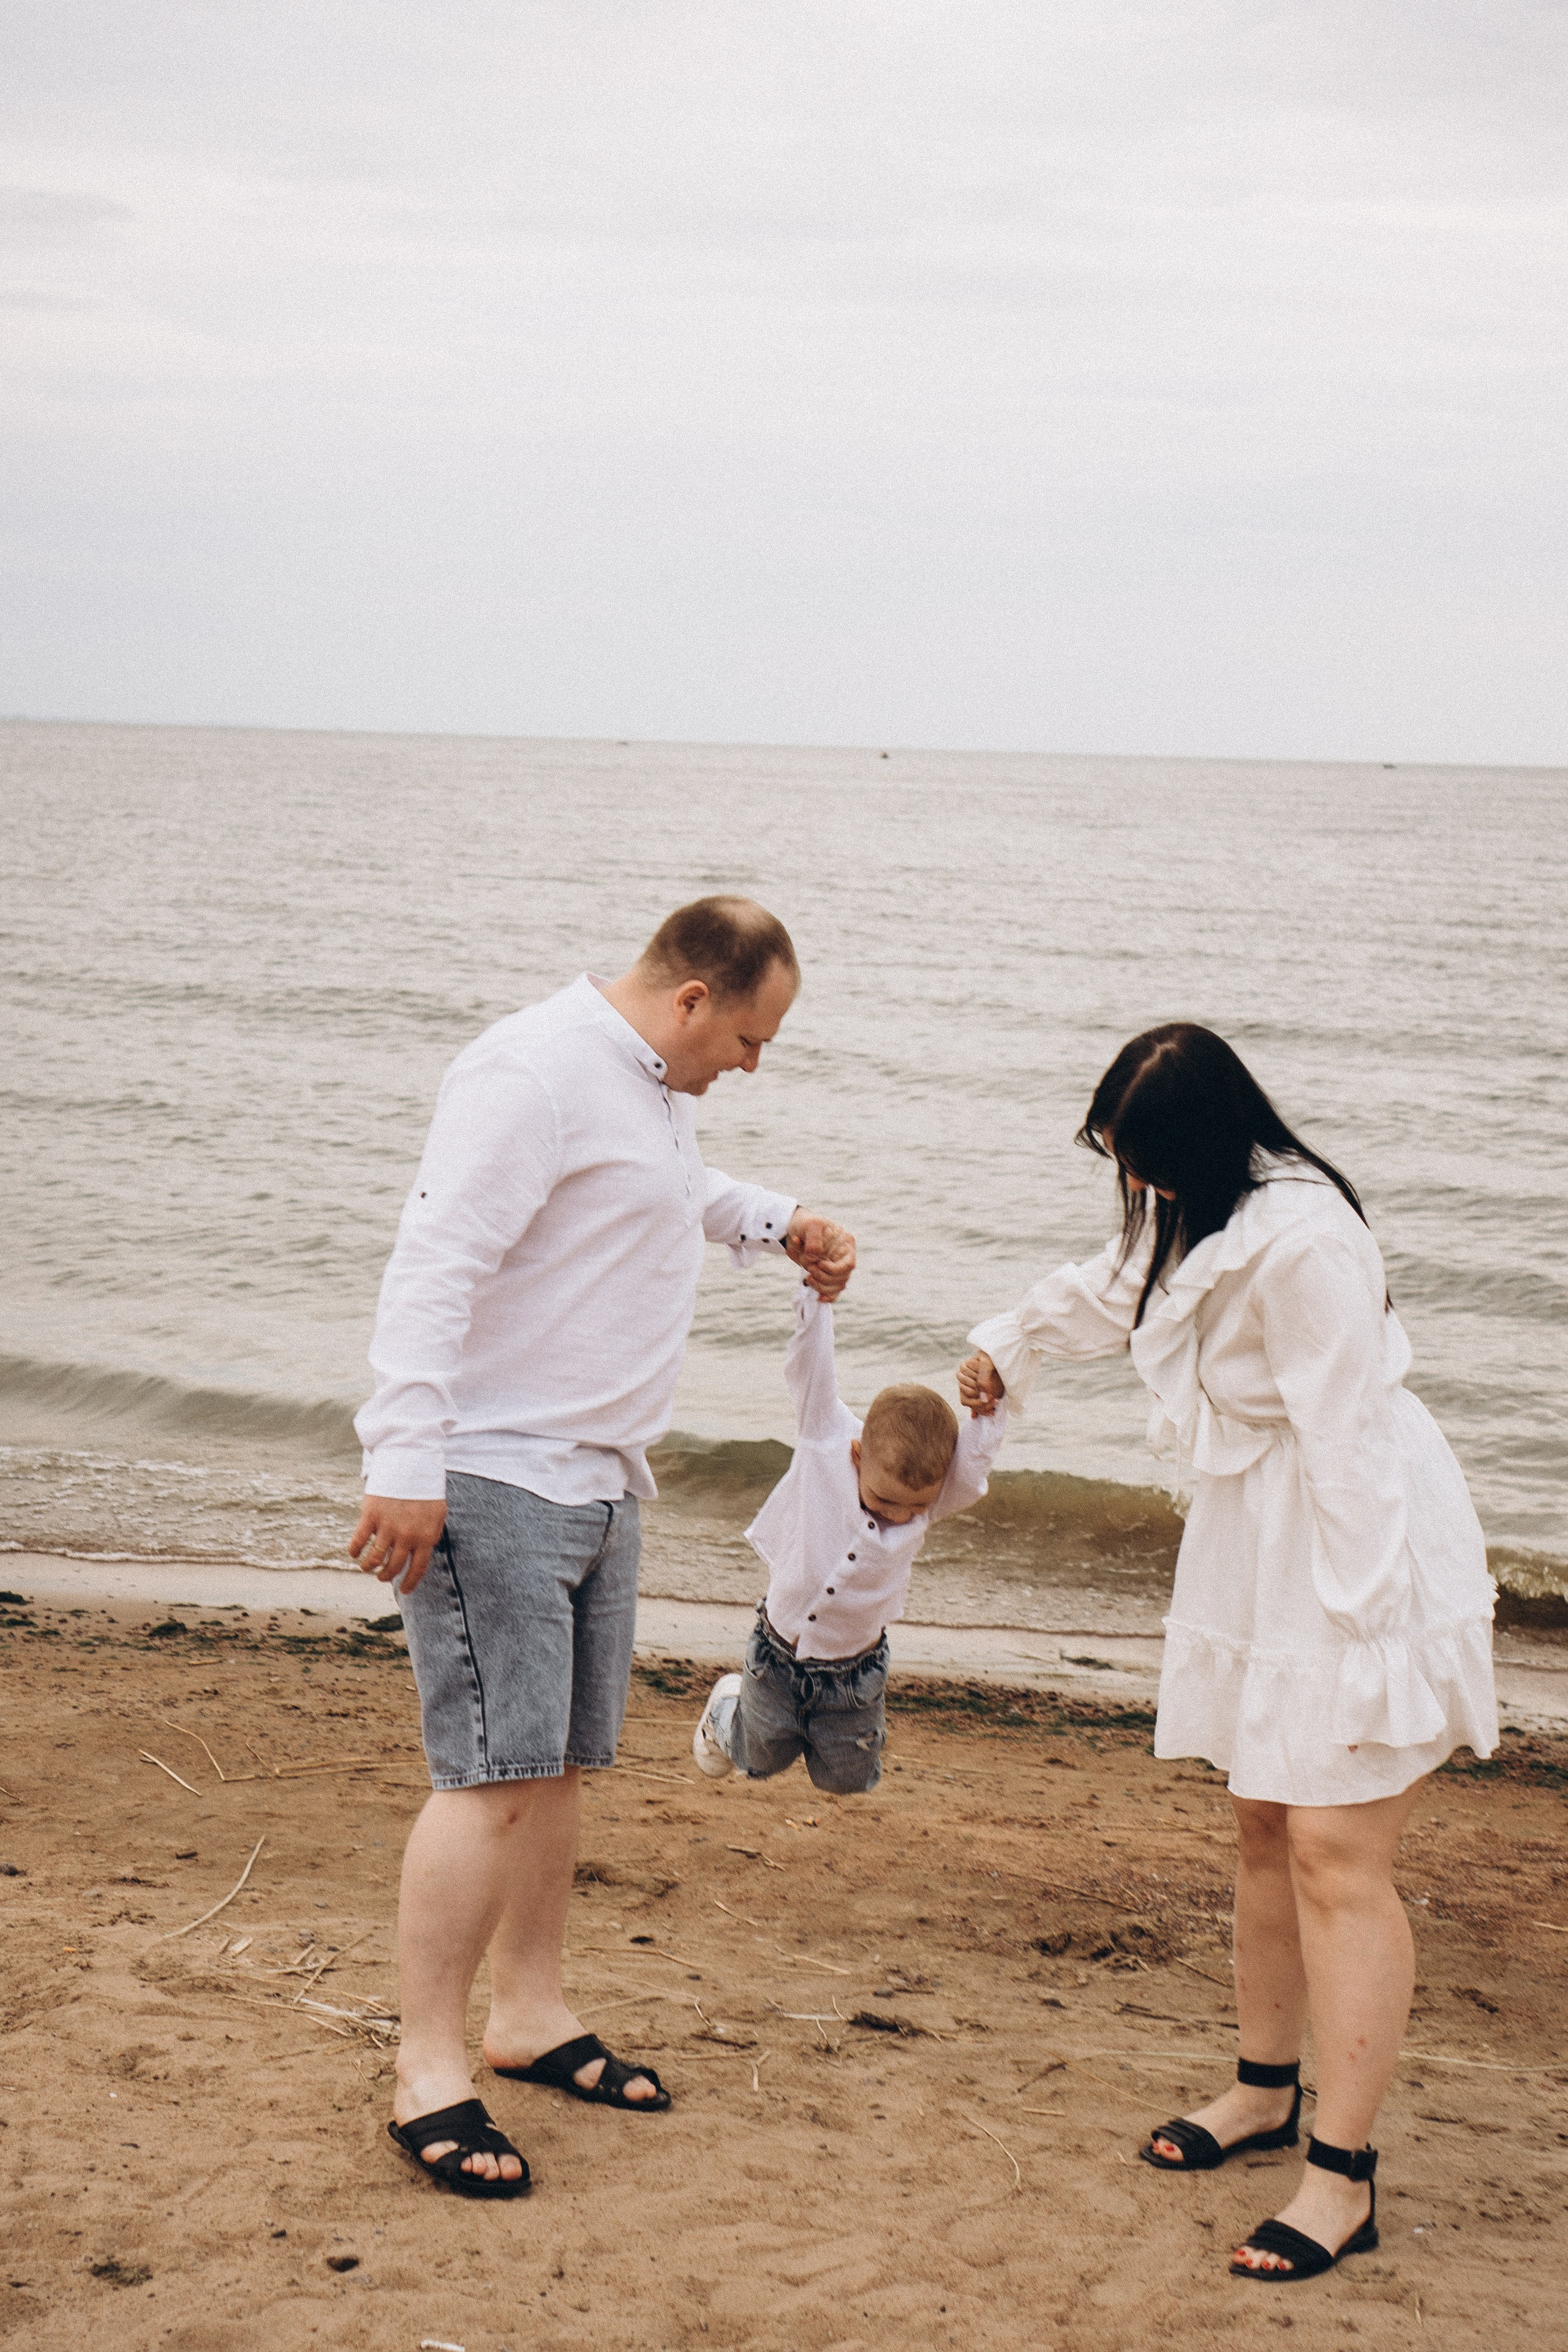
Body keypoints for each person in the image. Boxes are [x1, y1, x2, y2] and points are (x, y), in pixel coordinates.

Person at [959, 1023, 1497, 2285]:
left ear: (1199, 1143)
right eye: (1119, 1159)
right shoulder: (1198, 1201)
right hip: (1259, 1531)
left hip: (1350, 1536)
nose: (1132, 1182)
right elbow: (1115, 1286)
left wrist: (1367, 1639)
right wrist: (1005, 1343)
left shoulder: (1308, 1242)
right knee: (1262, 1821)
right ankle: (1264, 2088)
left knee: (1336, 1854)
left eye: (1140, 1158)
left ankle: (1342, 2176)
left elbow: (1348, 1442)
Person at [349, 896, 856, 2200]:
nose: (753, 1064)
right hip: (494, 1471)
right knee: (492, 1775)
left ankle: (528, 2014)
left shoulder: (651, 1088)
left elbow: (660, 1194)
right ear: (692, 1001)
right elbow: (437, 1257)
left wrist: (776, 1219)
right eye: (749, 1038)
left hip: (601, 1478)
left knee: (561, 1766)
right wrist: (404, 1460)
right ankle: (425, 2069)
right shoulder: (530, 1069)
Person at [692, 1284, 1006, 1790]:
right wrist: (817, 1296)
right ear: (858, 1455)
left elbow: (972, 1468)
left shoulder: (933, 1496)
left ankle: (816, 1739)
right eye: (884, 1500)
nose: (899, 1516)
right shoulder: (825, 1440)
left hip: (854, 1675)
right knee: (759, 1759)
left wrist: (988, 1410)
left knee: (847, 1781)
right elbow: (811, 1368)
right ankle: (725, 1709)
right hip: (777, 1654)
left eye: (915, 1508)